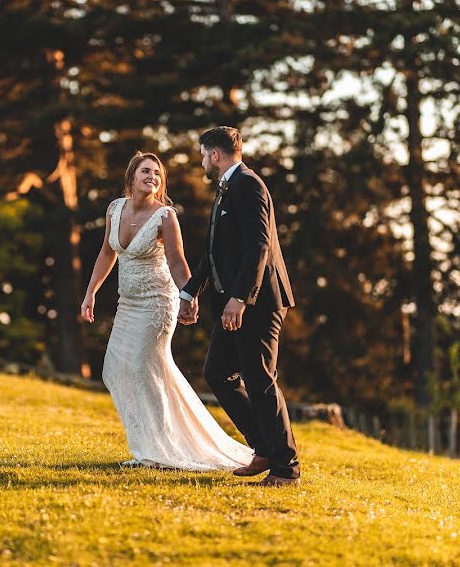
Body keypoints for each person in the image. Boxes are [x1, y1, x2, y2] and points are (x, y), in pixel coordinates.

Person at [81, 151, 253, 470]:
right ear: (131, 177)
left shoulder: (165, 216)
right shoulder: (114, 209)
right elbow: (107, 253)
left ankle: (160, 452)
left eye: (157, 174)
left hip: (158, 303)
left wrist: (188, 295)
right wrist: (90, 292)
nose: (152, 177)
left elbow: (176, 260)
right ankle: (146, 446)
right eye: (145, 171)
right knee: (113, 368)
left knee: (145, 370)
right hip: (127, 303)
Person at [178, 126, 300, 487]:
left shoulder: (249, 184)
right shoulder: (226, 188)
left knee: (260, 381)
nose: (202, 161)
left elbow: (259, 246)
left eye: (203, 154)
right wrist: (189, 292)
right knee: (218, 372)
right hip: (234, 303)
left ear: (215, 154)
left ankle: (285, 468)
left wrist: (240, 297)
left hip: (258, 304)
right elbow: (213, 251)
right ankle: (263, 449)